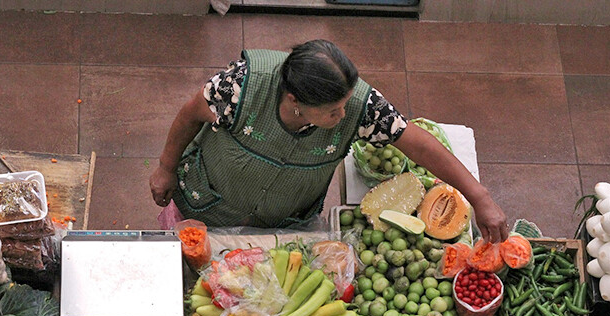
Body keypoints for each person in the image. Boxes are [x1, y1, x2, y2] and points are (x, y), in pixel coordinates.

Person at [150, 39, 508, 243]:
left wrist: (479, 196)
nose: (343, 116)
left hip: (283, 221)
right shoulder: (240, 86)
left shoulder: (359, 105)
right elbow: (189, 114)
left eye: (345, 104)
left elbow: (415, 142)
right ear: (294, 101)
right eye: (333, 111)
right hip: (205, 204)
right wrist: (166, 167)